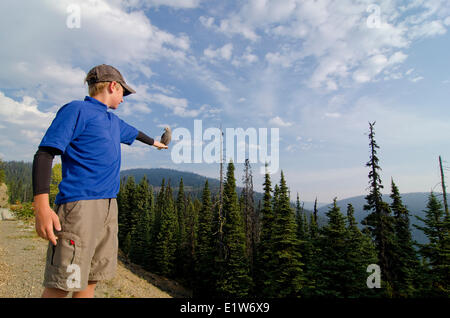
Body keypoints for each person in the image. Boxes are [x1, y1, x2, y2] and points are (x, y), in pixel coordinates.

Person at [32, 64, 168, 298]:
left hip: (108, 206)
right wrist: (41, 207)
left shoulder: (113, 122)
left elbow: (135, 133)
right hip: (80, 207)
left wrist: (157, 143)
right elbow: (45, 154)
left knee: (91, 279)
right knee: (63, 282)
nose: (124, 100)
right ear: (113, 86)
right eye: (123, 93)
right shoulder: (77, 110)